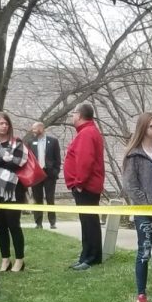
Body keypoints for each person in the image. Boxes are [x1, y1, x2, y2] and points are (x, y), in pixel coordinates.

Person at [123, 112, 152, 302]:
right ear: (143, 129)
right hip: (143, 211)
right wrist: (147, 205)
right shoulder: (134, 155)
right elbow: (131, 185)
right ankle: (141, 293)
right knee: (145, 251)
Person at [63, 103, 105, 270]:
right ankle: (86, 255)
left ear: (79, 115)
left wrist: (79, 183)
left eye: (74, 113)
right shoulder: (87, 132)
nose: (72, 116)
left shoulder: (87, 133)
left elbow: (85, 161)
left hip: (86, 186)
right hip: (86, 185)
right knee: (87, 222)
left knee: (89, 222)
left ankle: (92, 257)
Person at [0, 112, 27, 272]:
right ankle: (5, 259)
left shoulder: (17, 142)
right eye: (1, 123)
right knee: (0, 226)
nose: (4, 126)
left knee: (13, 225)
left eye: (6, 123)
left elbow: (18, 164)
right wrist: (2, 161)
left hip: (13, 189)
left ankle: (19, 259)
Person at [28, 122, 61, 229]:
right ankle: (38, 223)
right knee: (38, 198)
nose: (33, 131)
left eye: (34, 129)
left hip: (49, 174)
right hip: (37, 174)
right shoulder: (31, 142)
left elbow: (57, 159)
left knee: (50, 198)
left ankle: (52, 222)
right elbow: (29, 159)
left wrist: (56, 171)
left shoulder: (53, 141)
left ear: (41, 128)